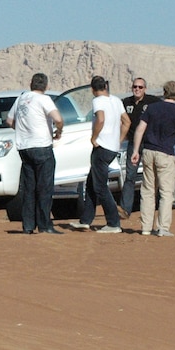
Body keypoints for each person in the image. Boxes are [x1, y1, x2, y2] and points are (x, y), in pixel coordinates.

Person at [131, 81, 175, 237]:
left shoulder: (152, 108)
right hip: (165, 155)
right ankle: (162, 227)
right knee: (166, 192)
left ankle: (146, 228)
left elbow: (140, 130)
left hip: (148, 152)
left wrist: (135, 150)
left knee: (148, 190)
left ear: (164, 92)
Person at [69, 76, 130, 233]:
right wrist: (118, 140)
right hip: (112, 147)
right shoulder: (116, 100)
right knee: (91, 182)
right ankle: (85, 220)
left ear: (92, 89)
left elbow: (100, 119)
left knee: (100, 187)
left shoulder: (97, 101)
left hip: (101, 147)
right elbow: (127, 122)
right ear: (105, 86)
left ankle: (113, 222)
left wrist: (94, 137)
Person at [5, 73, 64, 235]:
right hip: (42, 146)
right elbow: (58, 119)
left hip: (24, 147)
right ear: (45, 86)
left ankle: (28, 225)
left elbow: (10, 121)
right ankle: (45, 225)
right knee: (44, 187)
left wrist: (23, 130)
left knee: (29, 187)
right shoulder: (43, 99)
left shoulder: (21, 98)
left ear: (31, 84)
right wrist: (58, 131)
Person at [118, 77, 160, 218]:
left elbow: (165, 113)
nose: (137, 89)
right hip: (132, 145)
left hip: (149, 144)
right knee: (130, 176)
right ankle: (125, 209)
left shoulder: (153, 102)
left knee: (150, 176)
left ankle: (151, 208)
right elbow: (120, 122)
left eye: (140, 87)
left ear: (145, 89)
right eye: (135, 86)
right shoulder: (126, 103)